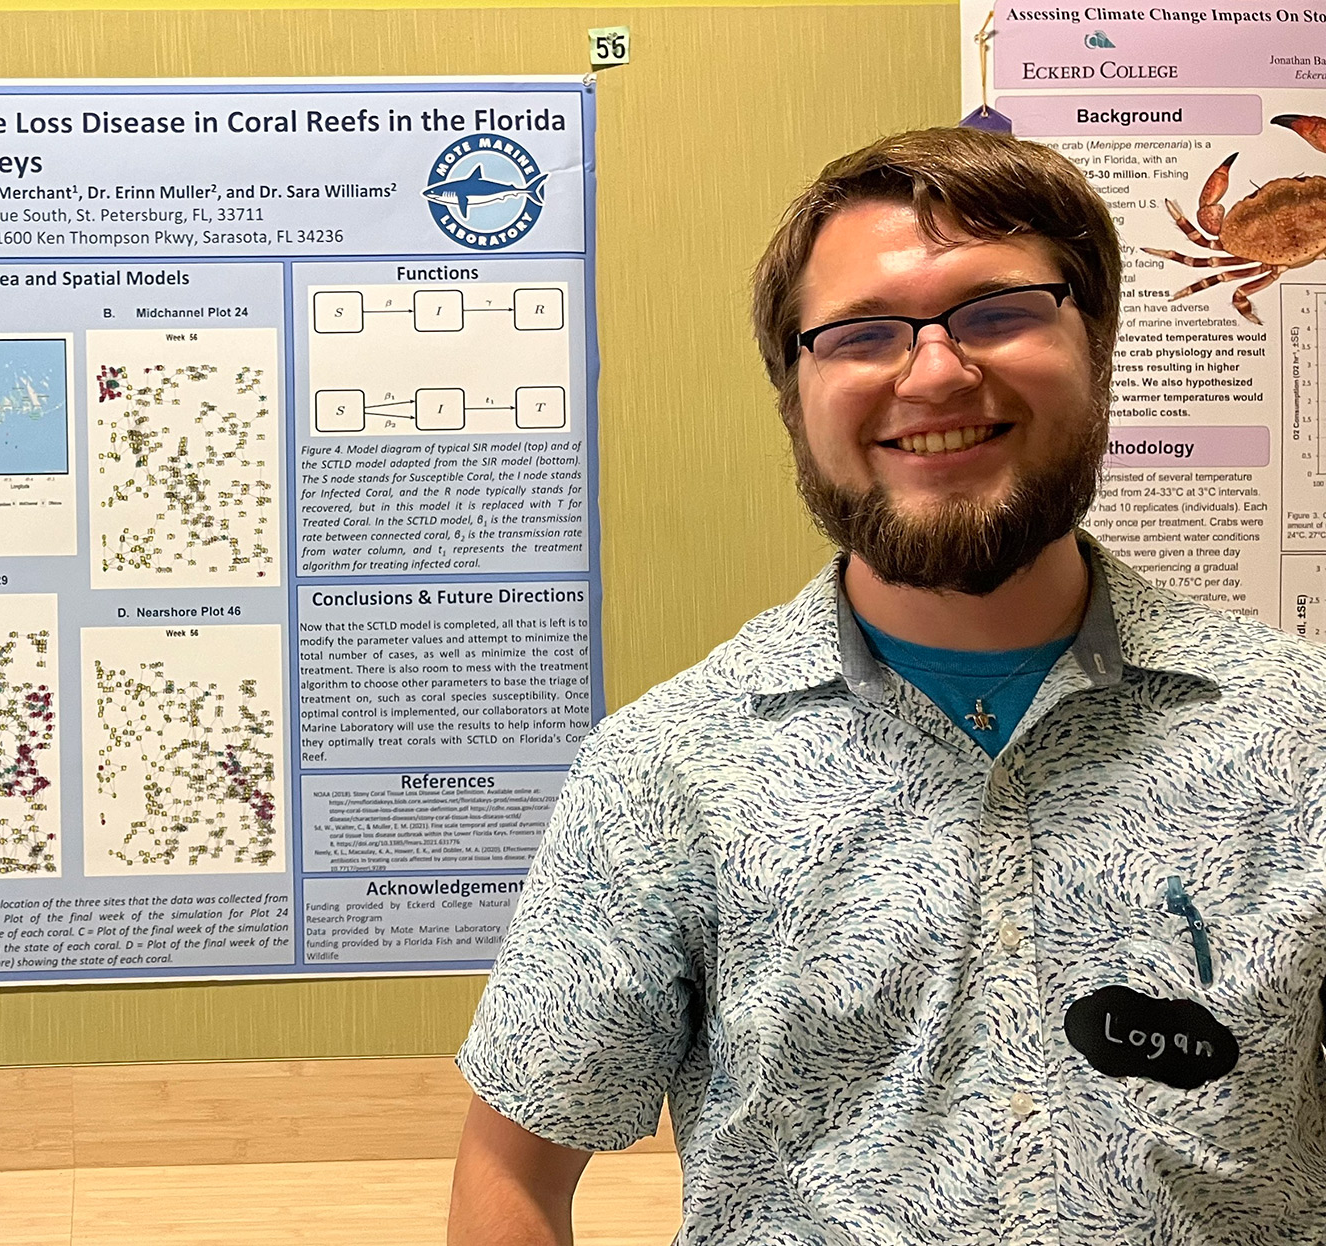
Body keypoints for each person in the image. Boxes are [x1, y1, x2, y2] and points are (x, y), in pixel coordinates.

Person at [446, 125, 1326, 1245]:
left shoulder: (1298, 737)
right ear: (793, 394)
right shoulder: (670, 766)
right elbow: (512, 1173)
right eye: (862, 334)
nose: (937, 371)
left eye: (997, 312)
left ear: (1096, 343)